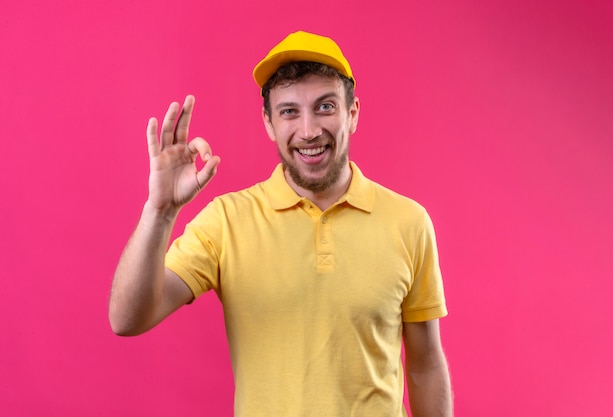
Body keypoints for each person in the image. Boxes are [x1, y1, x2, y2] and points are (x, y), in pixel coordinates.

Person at [109, 31, 453, 417]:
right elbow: (127, 318)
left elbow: (424, 365)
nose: (308, 130)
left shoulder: (409, 221)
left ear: (352, 113)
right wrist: (160, 212)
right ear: (269, 123)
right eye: (289, 111)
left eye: (325, 107)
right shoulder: (227, 221)